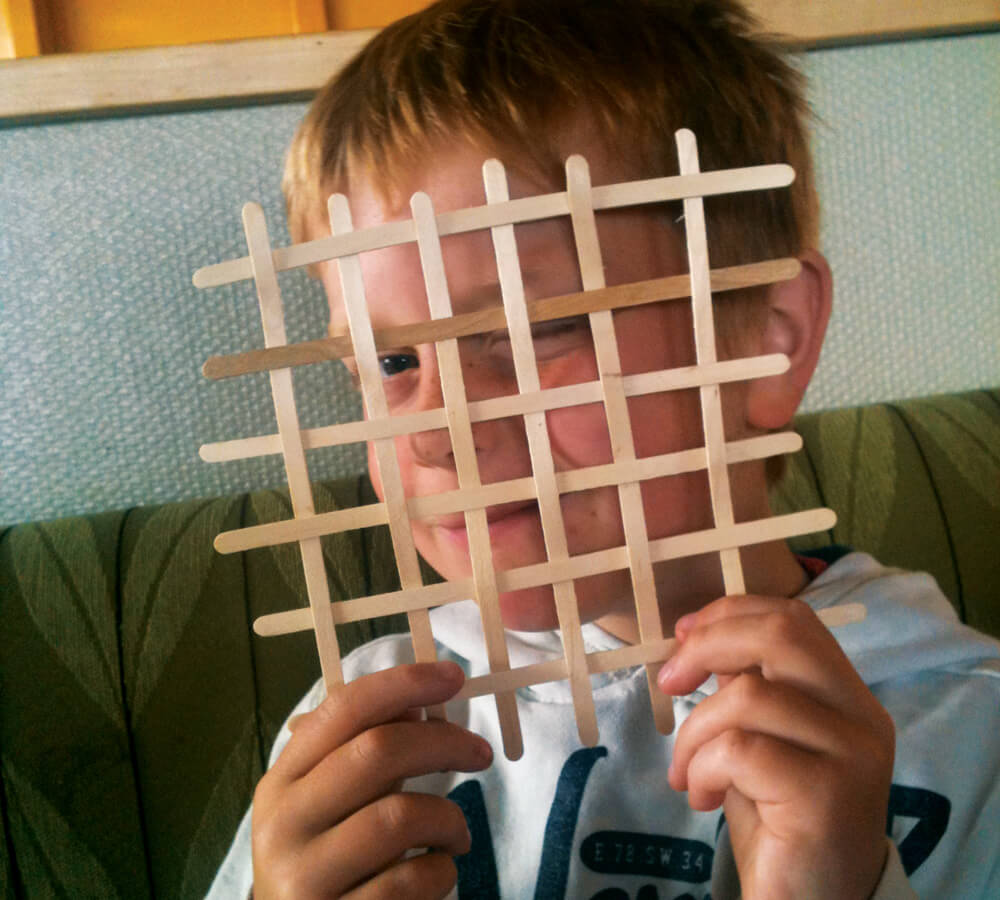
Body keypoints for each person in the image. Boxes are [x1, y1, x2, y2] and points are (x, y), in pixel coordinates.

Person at [209, 1, 1000, 897]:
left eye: (529, 328)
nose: (431, 431)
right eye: (391, 361)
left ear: (763, 343)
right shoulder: (357, 737)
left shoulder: (971, 731)